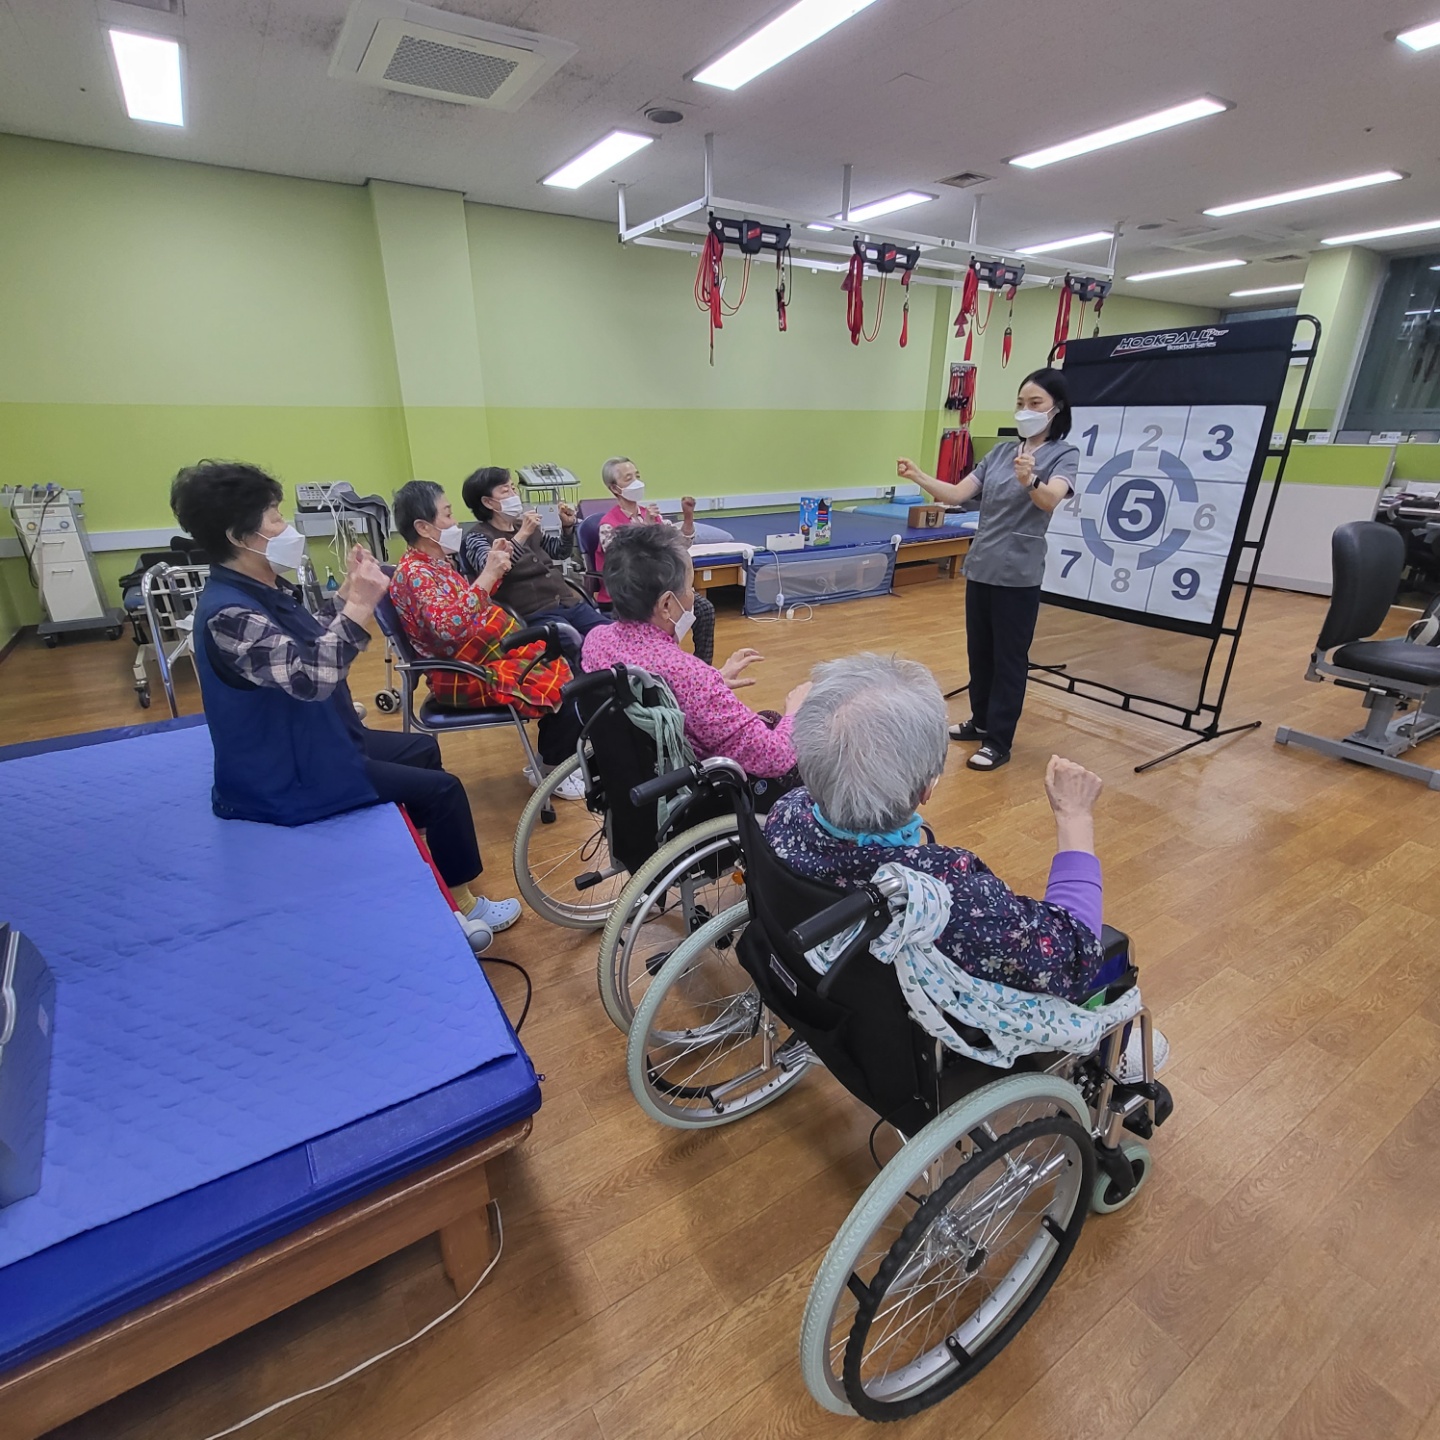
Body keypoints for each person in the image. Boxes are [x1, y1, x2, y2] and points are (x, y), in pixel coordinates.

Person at [170, 460, 518, 954]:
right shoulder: (229, 613)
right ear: (238, 535)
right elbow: (311, 678)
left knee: (420, 751)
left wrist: (350, 593)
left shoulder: (261, 588)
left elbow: (312, 634)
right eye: (274, 517)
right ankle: (459, 905)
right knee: (444, 791)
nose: (286, 527)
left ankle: (421, 866)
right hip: (284, 771)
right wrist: (360, 607)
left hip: (315, 737)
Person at [764, 652, 1168, 1073]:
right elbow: (1073, 953)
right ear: (927, 788)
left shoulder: (785, 814)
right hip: (928, 1036)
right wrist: (1075, 818)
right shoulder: (949, 895)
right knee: (1112, 953)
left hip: (833, 993)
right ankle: (1117, 1052)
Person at [898, 367, 1080, 772]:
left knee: (1009, 659)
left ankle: (998, 740)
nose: (1025, 410)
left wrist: (1030, 480)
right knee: (980, 653)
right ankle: (980, 720)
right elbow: (957, 494)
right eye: (1020, 403)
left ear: (1057, 408)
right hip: (982, 566)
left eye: (1035, 403)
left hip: (1018, 574)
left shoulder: (1063, 454)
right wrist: (919, 475)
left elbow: (1051, 500)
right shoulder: (1000, 453)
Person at [389, 481, 585, 801]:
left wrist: (494, 567)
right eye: (447, 514)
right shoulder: (416, 573)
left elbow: (467, 606)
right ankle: (553, 768)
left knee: (558, 664)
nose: (455, 522)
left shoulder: (435, 564)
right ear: (423, 527)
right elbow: (448, 629)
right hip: (459, 671)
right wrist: (489, 574)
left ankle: (549, 760)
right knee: (563, 683)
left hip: (477, 656)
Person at [581, 524, 809, 785]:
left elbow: (655, 694)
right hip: (690, 787)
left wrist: (715, 679)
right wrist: (797, 710)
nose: (694, 596)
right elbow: (775, 757)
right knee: (787, 728)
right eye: (691, 588)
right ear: (667, 605)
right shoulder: (689, 676)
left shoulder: (595, 641)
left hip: (629, 776)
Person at [458, 466, 609, 664]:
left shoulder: (523, 526)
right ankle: (587, 682)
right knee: (574, 644)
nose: (514, 495)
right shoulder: (477, 537)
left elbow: (558, 552)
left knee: (608, 633)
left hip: (566, 602)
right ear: (488, 502)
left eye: (513, 488)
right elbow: (492, 571)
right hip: (532, 613)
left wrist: (566, 527)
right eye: (505, 490)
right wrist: (522, 536)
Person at [593, 456, 715, 665]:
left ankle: (702, 666)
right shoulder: (608, 524)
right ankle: (661, 665)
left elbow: (681, 544)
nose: (636, 482)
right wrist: (647, 528)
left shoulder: (652, 514)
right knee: (657, 621)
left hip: (660, 590)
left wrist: (687, 517)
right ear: (614, 488)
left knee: (704, 609)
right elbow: (626, 561)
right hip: (630, 595)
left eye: (637, 476)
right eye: (628, 478)